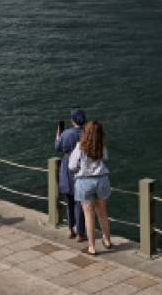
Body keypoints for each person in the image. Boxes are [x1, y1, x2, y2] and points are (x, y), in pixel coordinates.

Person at [69, 121, 112, 255]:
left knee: (89, 216)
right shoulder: (101, 146)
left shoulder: (80, 146)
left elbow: (71, 166)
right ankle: (107, 240)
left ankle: (92, 247)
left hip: (84, 182)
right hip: (101, 180)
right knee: (103, 213)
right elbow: (105, 158)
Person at [55, 109, 87, 241]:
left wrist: (58, 136)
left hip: (67, 165)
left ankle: (71, 229)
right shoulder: (87, 133)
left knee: (69, 199)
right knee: (80, 201)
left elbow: (57, 147)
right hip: (82, 166)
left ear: (73, 120)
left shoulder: (66, 133)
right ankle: (80, 232)